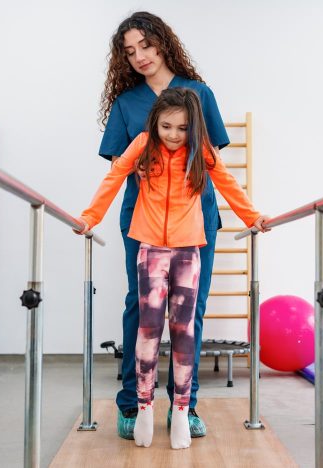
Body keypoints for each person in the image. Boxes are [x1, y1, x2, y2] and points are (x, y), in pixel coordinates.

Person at [77, 87, 269, 449]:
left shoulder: (201, 152)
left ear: (192, 127)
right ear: (155, 122)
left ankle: (180, 410)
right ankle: (146, 407)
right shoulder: (144, 144)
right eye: (166, 126)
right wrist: (90, 218)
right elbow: (114, 178)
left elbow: (228, 184)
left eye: (181, 128)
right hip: (149, 250)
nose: (173, 135)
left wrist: (253, 217)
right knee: (147, 333)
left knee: (184, 334)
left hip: (187, 251)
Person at [98, 11, 229, 440]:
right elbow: (118, 164)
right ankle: (132, 404)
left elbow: (213, 161)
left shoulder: (199, 93)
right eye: (130, 51)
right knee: (140, 307)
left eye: (146, 45)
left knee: (191, 313)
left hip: (196, 219)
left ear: (163, 42)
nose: (140, 56)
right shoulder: (127, 103)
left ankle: (184, 405)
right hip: (143, 219)